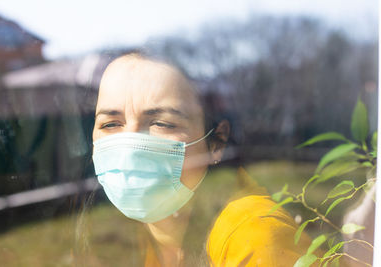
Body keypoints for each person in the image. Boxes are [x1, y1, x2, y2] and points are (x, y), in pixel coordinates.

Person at [91, 52, 316, 266]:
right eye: (110, 124)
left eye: (162, 123)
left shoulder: (256, 237)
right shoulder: (140, 234)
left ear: (217, 142)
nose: (131, 149)